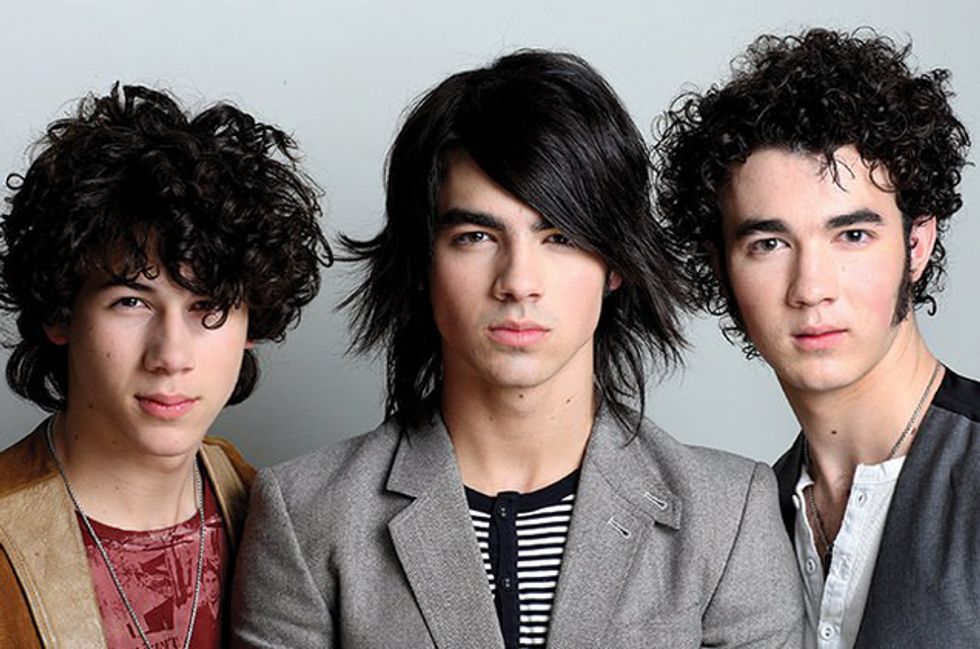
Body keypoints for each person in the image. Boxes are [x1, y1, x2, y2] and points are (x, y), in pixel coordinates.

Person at [232, 49, 801, 648]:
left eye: (560, 236)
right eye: (476, 236)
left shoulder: (727, 514)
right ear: (423, 262)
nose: (519, 282)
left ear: (615, 262)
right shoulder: (308, 514)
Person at [654, 27, 975, 648]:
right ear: (721, 268)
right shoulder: (740, 522)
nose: (811, 287)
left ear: (916, 244)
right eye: (769, 244)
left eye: (852, 236)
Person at [0, 83, 331, 648]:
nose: (171, 356)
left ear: (253, 326)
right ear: (60, 313)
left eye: (209, 307)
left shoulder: (283, 516)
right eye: (131, 302)